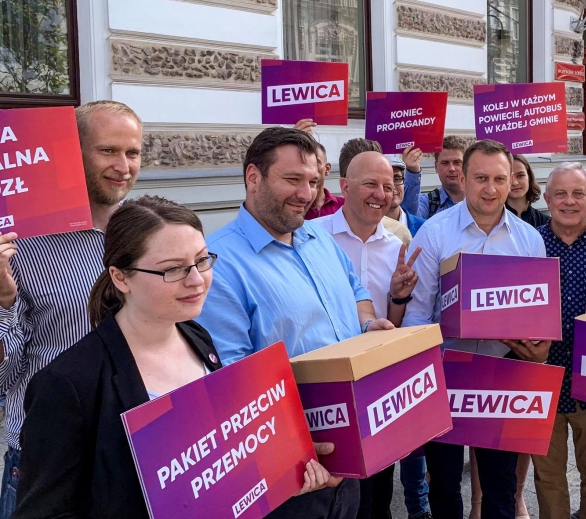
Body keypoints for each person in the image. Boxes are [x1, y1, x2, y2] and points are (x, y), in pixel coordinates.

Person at [12, 196, 337, 518]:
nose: (196, 280)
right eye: (172, 269)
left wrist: (284, 465)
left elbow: (220, 461)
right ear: (120, 277)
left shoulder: (196, 336)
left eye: (202, 260)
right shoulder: (67, 383)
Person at [196, 127, 416, 518]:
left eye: (313, 182)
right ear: (253, 177)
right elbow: (231, 383)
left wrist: (368, 325)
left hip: (351, 445)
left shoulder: (319, 236)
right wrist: (291, 448)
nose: (306, 193)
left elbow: (356, 292)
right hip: (292, 473)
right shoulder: (218, 264)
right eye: (293, 179)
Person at [0, 100, 143, 518]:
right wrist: (3, 302)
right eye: (108, 150)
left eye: (132, 152)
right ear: (68, 152)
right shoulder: (16, 247)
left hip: (135, 450)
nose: (123, 166)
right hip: (49, 462)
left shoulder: (147, 233)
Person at [403, 140, 549, 519]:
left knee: (501, 487)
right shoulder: (434, 233)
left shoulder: (528, 239)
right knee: (445, 484)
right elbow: (417, 314)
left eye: (499, 179)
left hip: (502, 375)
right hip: (445, 375)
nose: (490, 188)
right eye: (481, 178)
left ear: (511, 181)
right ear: (464, 179)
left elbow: (536, 315)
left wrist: (535, 345)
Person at [312, 150, 424, 519]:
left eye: (388, 187)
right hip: (325, 387)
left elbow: (392, 324)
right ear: (344, 187)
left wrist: (398, 297)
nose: (381, 194)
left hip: (376, 384)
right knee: (333, 495)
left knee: (377, 493)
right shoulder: (312, 238)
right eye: (370, 184)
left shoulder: (398, 245)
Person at [532, 162, 586, 519]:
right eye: (561, 194)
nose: (569, 201)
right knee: (547, 477)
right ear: (546, 198)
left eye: (578, 193)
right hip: (540, 379)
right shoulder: (529, 244)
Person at [402, 136, 468, 219]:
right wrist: (413, 170)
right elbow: (410, 218)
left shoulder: (479, 200)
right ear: (436, 167)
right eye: (445, 163)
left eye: (457, 162)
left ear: (467, 165)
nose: (452, 168)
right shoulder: (428, 202)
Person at [385, 156, 425, 237]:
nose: (392, 186)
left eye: (397, 179)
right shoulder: (365, 230)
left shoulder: (424, 227)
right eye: (386, 180)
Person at [305, 140, 345, 220]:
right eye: (305, 163)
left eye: (316, 162)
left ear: (327, 169)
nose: (310, 169)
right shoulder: (294, 208)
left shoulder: (344, 206)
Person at [505, 154, 548, 227]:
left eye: (520, 175)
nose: (515, 183)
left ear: (529, 177)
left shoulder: (544, 222)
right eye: (509, 177)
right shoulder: (491, 222)